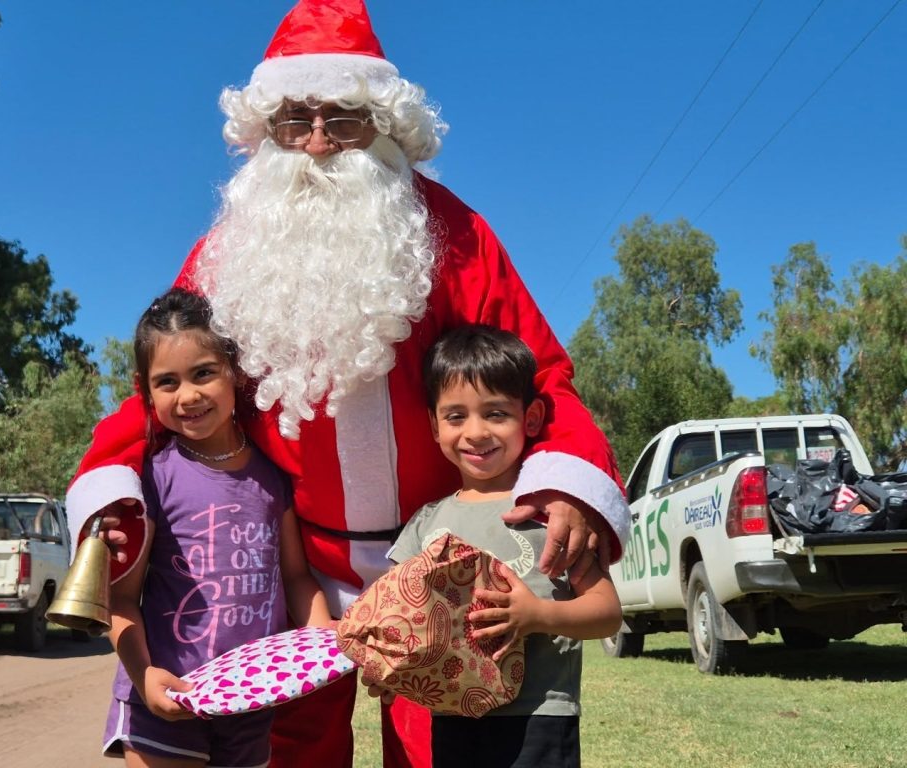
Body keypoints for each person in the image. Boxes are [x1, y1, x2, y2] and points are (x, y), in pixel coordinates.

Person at [67, 2, 631, 766]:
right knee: (294, 752)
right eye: (295, 120)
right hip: (296, 571)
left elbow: (541, 374)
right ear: (266, 132)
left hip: (435, 565)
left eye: (344, 119)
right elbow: (166, 390)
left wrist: (569, 482)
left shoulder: (456, 236)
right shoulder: (229, 253)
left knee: (435, 748)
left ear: (386, 127)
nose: (318, 141)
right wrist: (109, 487)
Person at [101, 288, 331, 768]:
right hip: (166, 700)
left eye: (204, 372)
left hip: (249, 706)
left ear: (235, 371)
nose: (189, 395)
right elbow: (120, 599)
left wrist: (324, 638)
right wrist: (143, 676)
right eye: (167, 382)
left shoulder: (273, 477)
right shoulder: (152, 478)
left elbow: (294, 577)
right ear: (145, 391)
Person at [386, 325, 622, 768]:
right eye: (456, 416)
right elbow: (395, 613)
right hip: (452, 715)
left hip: (539, 714)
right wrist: (385, 660)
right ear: (434, 425)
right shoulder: (425, 523)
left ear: (530, 418)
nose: (476, 432)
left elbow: (607, 612)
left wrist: (537, 615)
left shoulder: (554, 512)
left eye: (495, 413)